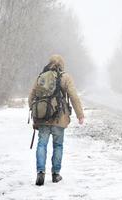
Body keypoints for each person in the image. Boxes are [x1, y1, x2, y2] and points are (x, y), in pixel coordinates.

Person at [28, 54, 84, 185]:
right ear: (61, 64)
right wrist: (80, 115)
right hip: (59, 118)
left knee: (42, 144)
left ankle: (40, 173)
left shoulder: (41, 77)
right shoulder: (65, 77)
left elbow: (31, 97)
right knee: (58, 145)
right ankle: (55, 174)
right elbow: (74, 96)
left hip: (43, 119)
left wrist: (37, 111)